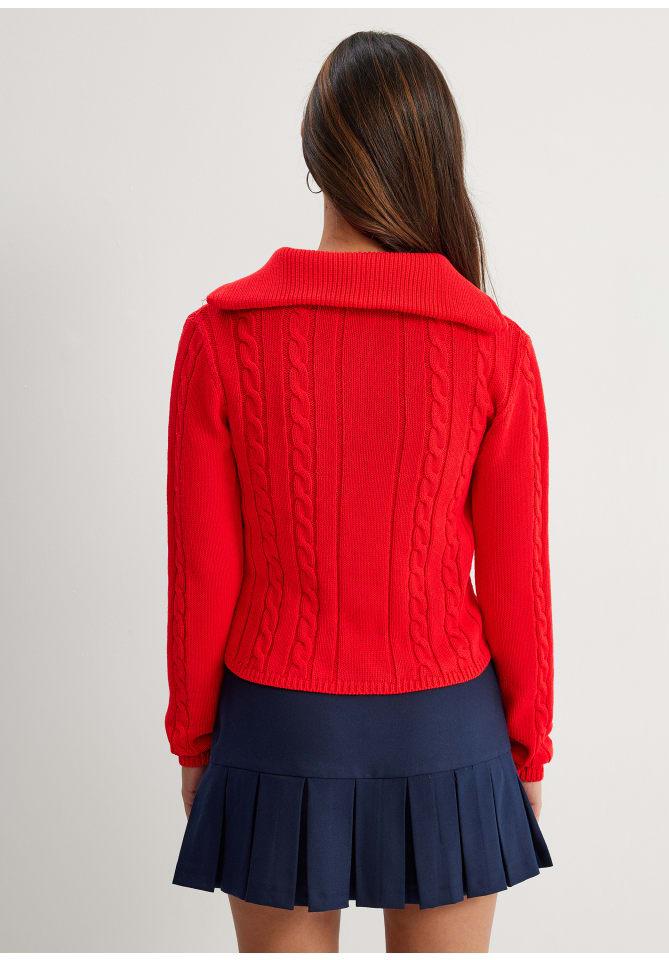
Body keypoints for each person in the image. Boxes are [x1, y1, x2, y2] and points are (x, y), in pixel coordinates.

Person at [166, 30, 553, 953]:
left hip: (276, 735)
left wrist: (196, 744)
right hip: (450, 737)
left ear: (315, 158)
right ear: (436, 157)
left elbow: (201, 578)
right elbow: (519, 583)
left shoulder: (221, 337)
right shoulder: (494, 349)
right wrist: (528, 748)